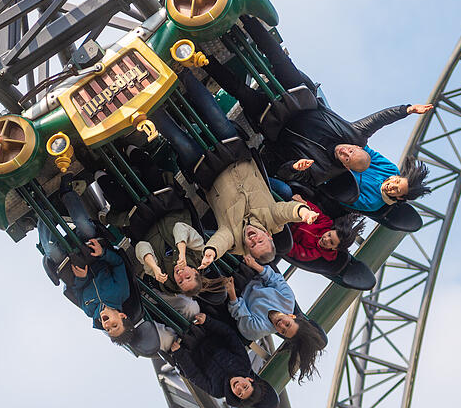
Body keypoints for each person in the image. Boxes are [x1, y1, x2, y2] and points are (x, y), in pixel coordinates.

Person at [205, 15, 432, 205]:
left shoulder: (323, 171)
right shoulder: (356, 136)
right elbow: (379, 119)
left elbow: (286, 173)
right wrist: (408, 109)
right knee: (284, 65)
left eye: (347, 158)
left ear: (345, 166)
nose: (346, 152)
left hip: (276, 123)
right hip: (301, 102)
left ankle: (204, 60)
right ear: (356, 146)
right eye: (351, 151)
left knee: (242, 93)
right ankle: (247, 18)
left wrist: (295, 166)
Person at [151, 70, 319, 267]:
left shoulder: (235, 240)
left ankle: (150, 107)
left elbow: (221, 240)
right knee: (218, 118)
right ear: (269, 236)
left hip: (210, 174)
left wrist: (211, 252)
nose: (253, 238)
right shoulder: (273, 218)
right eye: (260, 241)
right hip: (237, 158)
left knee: (182, 143)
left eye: (253, 244)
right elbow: (289, 210)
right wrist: (304, 213)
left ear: (248, 248)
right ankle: (183, 73)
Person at [225, 256, 326, 382]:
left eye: (283, 331)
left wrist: (231, 292)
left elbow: (238, 311)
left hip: (236, 292)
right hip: (251, 274)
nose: (281, 325)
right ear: (292, 316)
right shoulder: (288, 300)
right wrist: (254, 264)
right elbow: (274, 278)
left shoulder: (258, 330)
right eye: (287, 324)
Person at [169, 313, 279, 408]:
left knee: (165, 336)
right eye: (245, 386)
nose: (238, 387)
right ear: (249, 379)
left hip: (186, 350)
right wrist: (208, 321)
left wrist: (180, 353)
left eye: (239, 393)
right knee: (188, 308)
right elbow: (229, 335)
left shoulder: (216, 390)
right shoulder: (244, 365)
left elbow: (194, 374)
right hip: (202, 331)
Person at [67, 238, 131, 330]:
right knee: (86, 228)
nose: (107, 325)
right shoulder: (122, 293)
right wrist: (103, 253)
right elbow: (118, 263)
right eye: (115, 325)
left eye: (108, 330)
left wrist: (81, 278)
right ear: (122, 316)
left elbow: (75, 291)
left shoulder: (89, 311)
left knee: (53, 252)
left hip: (75, 266)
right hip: (95, 256)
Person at [286, 197, 365, 263]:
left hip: (284, 233)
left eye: (331, 242)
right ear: (331, 230)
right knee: (285, 191)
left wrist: (282, 235)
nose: (326, 239)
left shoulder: (313, 253)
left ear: (334, 248)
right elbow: (316, 212)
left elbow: (292, 249)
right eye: (329, 234)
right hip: (293, 216)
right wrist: (305, 203)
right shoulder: (326, 223)